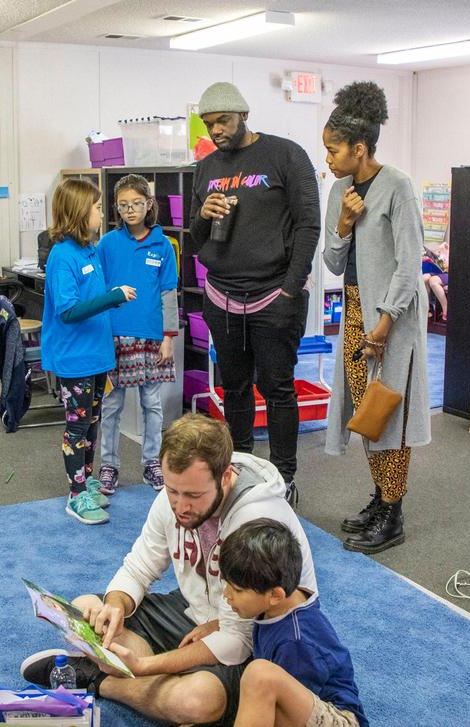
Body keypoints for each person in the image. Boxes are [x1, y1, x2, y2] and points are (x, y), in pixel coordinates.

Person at [20, 413, 316, 726]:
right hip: (193, 613)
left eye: (193, 495)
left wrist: (147, 665)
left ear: (226, 477)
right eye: (172, 491)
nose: (180, 506)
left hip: (249, 643)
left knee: (196, 701)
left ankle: (100, 681)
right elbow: (138, 567)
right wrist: (115, 605)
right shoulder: (174, 496)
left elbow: (237, 639)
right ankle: (151, 676)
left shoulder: (257, 519)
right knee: (85, 610)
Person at [188, 81, 321, 506]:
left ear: (243, 115)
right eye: (209, 125)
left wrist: (289, 290)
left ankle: (283, 478)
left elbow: (308, 226)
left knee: (278, 387)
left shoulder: (286, 154)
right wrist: (204, 216)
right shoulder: (206, 168)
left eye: (223, 121)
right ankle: (241, 468)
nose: (216, 131)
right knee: (236, 389)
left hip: (273, 297)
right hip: (222, 296)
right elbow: (194, 235)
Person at [321, 81, 431, 553]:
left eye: (333, 150)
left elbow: (411, 264)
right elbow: (330, 260)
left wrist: (384, 323)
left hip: (394, 318)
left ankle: (394, 512)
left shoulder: (397, 187)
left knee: (389, 411)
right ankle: (383, 498)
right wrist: (344, 225)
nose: (327, 159)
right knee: (365, 412)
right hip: (354, 310)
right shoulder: (340, 191)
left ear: (360, 148)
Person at [41, 178, 136, 525]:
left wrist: (111, 293)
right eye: (97, 208)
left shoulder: (89, 250)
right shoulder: (62, 256)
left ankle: (86, 480)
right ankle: (75, 495)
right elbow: (68, 310)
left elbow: (90, 297)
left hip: (97, 354)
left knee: (92, 423)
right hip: (75, 357)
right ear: (81, 212)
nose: (102, 213)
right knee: (77, 427)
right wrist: (113, 296)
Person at [220, 519, 367, 727]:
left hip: (340, 719)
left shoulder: (296, 641)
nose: (226, 595)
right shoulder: (277, 606)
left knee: (259, 675)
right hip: (307, 707)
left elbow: (285, 713)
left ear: (275, 595)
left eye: (237, 590)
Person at [97, 174, 179, 494]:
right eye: (123, 205)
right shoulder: (107, 244)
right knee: (112, 405)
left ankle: (151, 464)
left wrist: (169, 337)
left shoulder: (163, 245)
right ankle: (109, 466)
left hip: (152, 338)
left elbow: (169, 293)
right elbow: (97, 290)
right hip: (114, 336)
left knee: (152, 404)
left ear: (149, 204)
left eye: (136, 204)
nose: (130, 211)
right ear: (117, 208)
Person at [422, 243, 449, 322]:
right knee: (424, 278)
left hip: (448, 273)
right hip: (441, 272)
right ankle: (427, 308)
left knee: (433, 281)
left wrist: (444, 258)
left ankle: (446, 310)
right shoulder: (443, 247)